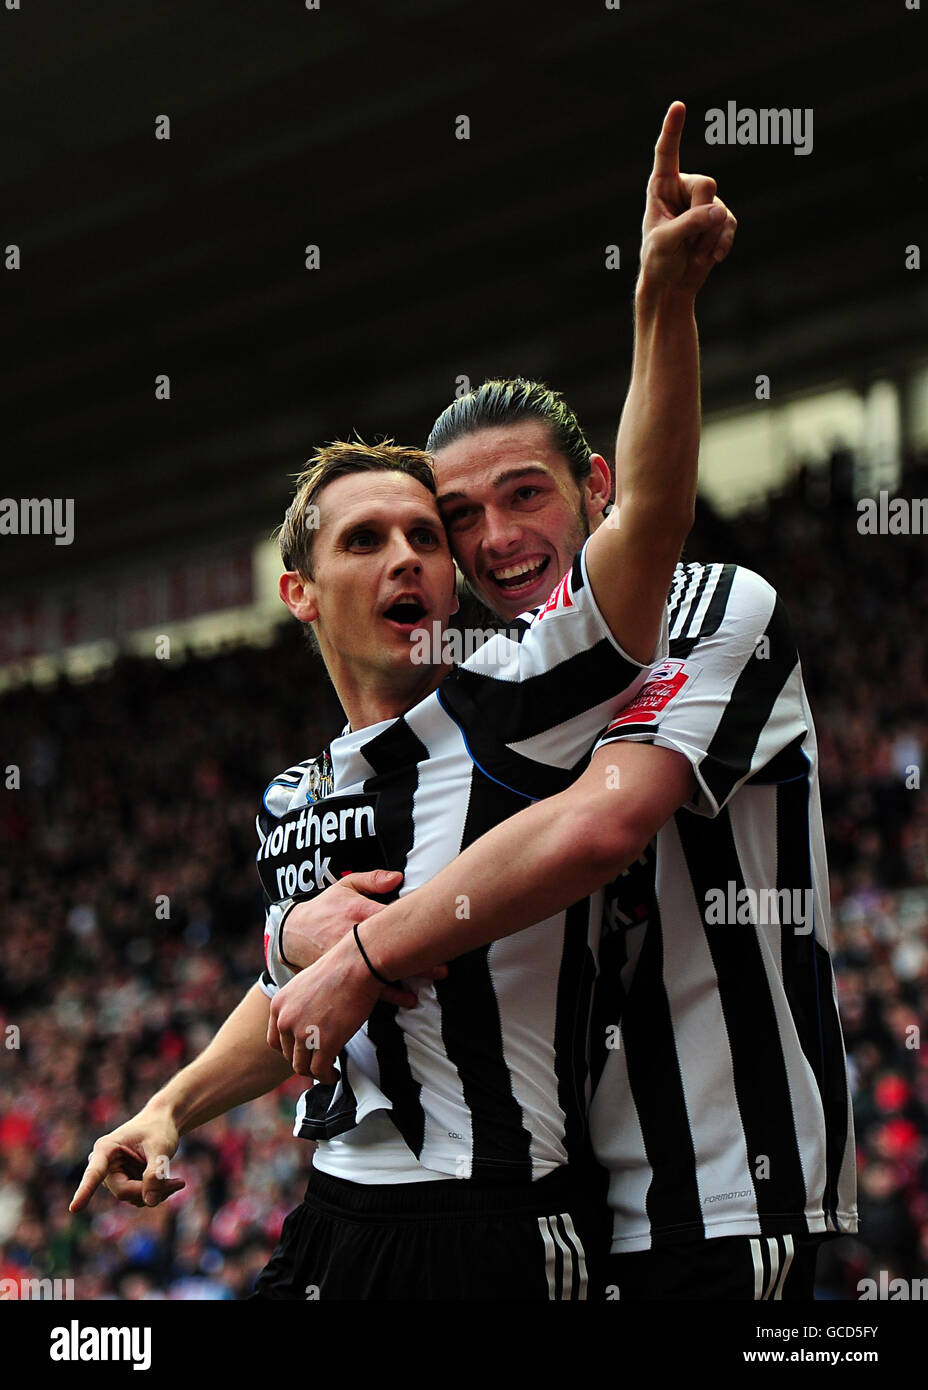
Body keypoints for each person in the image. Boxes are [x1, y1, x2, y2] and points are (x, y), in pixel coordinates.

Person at [69, 99, 728, 1300]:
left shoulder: (519, 706)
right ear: (299, 591)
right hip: (333, 1215)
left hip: (493, 1230)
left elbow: (649, 529)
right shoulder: (292, 794)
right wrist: (168, 1106)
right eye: (365, 539)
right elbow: (293, 1000)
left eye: (427, 535)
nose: (411, 558)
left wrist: (662, 303)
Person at [268, 123, 856, 1300]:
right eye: (458, 519)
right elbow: (341, 888)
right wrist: (285, 947)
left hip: (732, 1195)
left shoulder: (709, 604)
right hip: (573, 1201)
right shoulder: (489, 696)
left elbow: (603, 823)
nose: (492, 540)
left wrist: (662, 299)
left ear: (595, 485)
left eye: (524, 494)